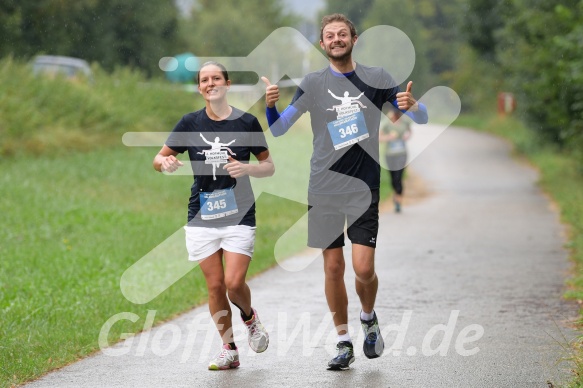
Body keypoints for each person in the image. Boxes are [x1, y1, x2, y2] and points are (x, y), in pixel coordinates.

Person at [261, 13, 428, 370]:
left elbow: (421, 117)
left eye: (342, 34)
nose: (336, 39)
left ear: (353, 39)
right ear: (322, 45)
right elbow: (278, 130)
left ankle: (368, 318)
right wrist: (270, 106)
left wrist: (414, 107)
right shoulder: (313, 83)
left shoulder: (377, 78)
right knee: (333, 267)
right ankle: (342, 340)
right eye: (329, 36)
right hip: (323, 187)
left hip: (363, 187)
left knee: (363, 268)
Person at [153, 61, 275, 370]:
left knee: (234, 283)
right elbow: (159, 157)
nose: (211, 83)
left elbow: (268, 166)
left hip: (239, 212)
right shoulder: (189, 123)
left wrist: (247, 168)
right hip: (202, 215)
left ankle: (250, 318)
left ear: (227, 83)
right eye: (205, 80)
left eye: (216, 78)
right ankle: (229, 349)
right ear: (200, 87)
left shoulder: (246, 122)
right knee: (215, 287)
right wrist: (164, 163)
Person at [380, 109, 412, 213]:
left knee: (398, 176)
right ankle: (396, 193)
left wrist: (407, 136)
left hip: (402, 154)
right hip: (389, 154)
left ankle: (398, 201)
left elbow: (409, 131)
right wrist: (389, 137)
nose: (395, 115)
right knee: (393, 178)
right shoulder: (386, 122)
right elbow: (379, 137)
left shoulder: (405, 121)